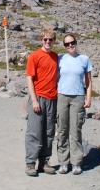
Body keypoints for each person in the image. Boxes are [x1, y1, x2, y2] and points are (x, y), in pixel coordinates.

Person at [24, 27, 59, 177]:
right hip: (38, 97)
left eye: (50, 39)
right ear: (41, 40)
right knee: (34, 131)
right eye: (45, 39)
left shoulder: (56, 56)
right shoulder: (34, 56)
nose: (48, 42)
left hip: (52, 98)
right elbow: (29, 78)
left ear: (54, 41)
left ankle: (44, 161)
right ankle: (30, 163)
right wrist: (33, 100)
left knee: (49, 132)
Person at [56, 34, 93, 175]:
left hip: (78, 97)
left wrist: (88, 98)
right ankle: (63, 162)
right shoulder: (60, 58)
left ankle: (76, 162)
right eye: (67, 44)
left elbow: (88, 82)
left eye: (72, 42)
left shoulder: (84, 59)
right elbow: (56, 78)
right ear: (64, 46)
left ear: (76, 43)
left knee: (75, 130)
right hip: (62, 96)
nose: (70, 45)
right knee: (62, 130)